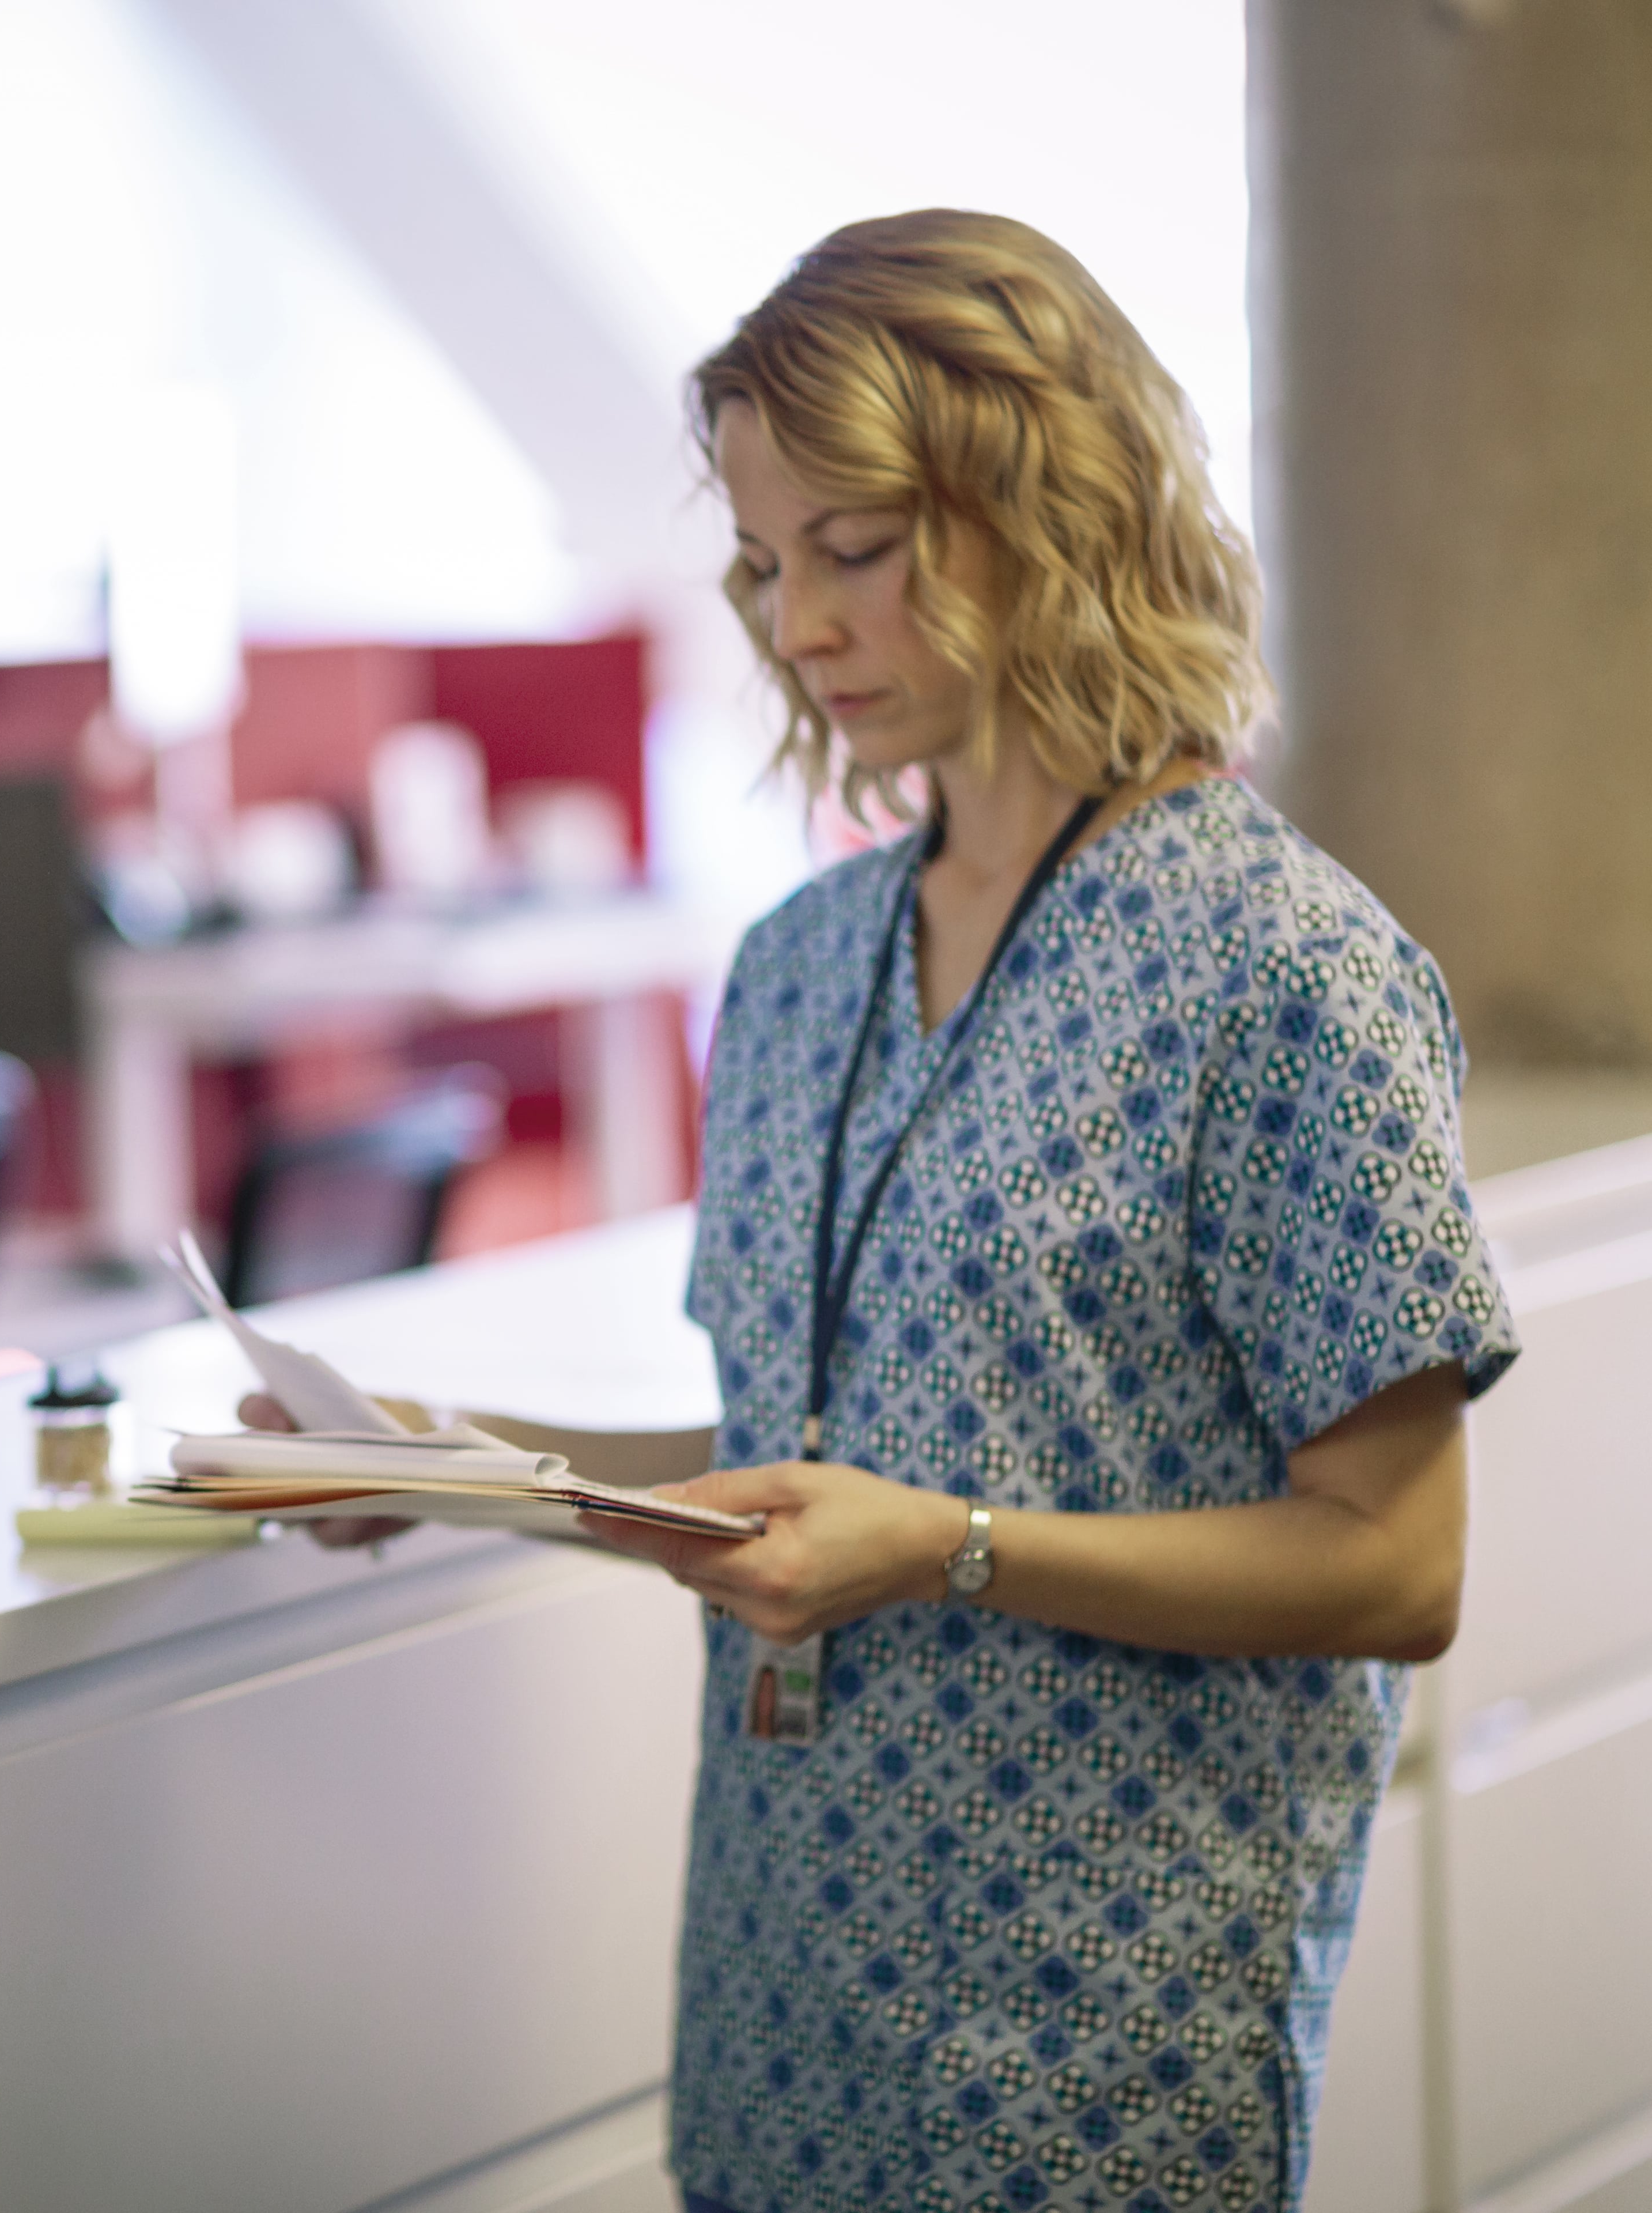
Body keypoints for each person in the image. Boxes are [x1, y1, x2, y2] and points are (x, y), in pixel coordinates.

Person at [555, 212, 1519, 2213]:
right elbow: (800, 1468)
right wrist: (458, 1468)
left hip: (1096, 2049)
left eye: (858, 547)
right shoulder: (801, 967)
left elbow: (1397, 1563)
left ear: (1042, 502)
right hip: (777, 2006)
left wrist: (958, 1553)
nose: (799, 625)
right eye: (759, 563)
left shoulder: (1283, 971)